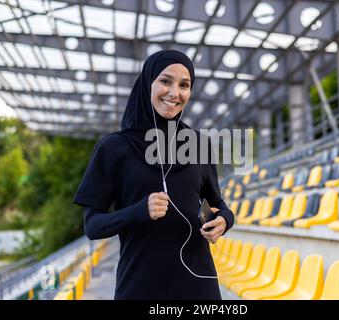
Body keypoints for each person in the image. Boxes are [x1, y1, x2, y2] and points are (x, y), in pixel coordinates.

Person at [73, 50, 234, 300]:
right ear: (149, 83)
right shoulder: (114, 148)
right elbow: (92, 226)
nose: (174, 93)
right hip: (140, 286)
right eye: (165, 81)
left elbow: (218, 205)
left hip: (199, 285)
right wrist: (139, 211)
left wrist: (225, 220)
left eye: (184, 85)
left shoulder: (199, 145)